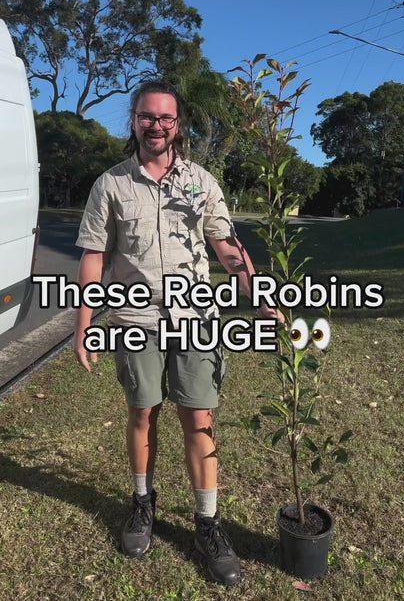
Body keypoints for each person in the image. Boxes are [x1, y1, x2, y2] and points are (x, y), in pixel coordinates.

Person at [73, 80, 283, 587]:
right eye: (148, 116)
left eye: (166, 118)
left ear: (178, 124)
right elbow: (94, 257)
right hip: (135, 321)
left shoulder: (201, 182)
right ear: (134, 121)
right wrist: (83, 326)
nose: (157, 125)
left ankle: (207, 522)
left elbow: (226, 245)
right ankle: (142, 504)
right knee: (142, 411)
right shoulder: (111, 185)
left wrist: (259, 294)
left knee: (199, 415)